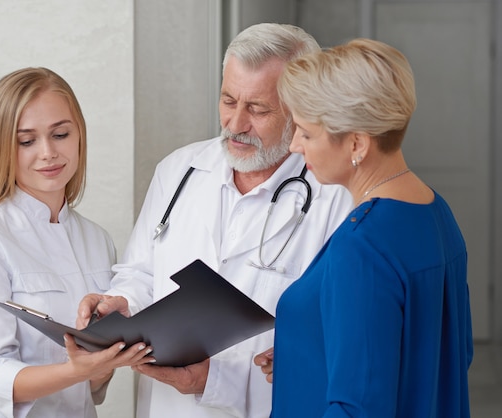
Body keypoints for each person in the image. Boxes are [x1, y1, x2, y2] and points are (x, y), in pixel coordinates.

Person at [77, 24, 353, 418]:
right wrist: (121, 302)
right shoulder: (179, 171)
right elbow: (140, 272)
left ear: (300, 110)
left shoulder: (334, 199)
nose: (235, 123)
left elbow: (335, 343)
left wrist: (216, 381)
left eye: (258, 109)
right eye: (228, 100)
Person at [255, 38, 473, 417]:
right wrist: (308, 350)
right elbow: (448, 351)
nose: (294, 146)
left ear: (356, 143)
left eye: (306, 133)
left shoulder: (363, 247)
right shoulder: (435, 212)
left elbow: (359, 408)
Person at [0, 67, 154, 418]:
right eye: (27, 141)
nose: (48, 152)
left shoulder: (96, 239)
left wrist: (105, 362)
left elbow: (89, 388)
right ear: (3, 146)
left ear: (79, 137)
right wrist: (79, 370)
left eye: (60, 134)